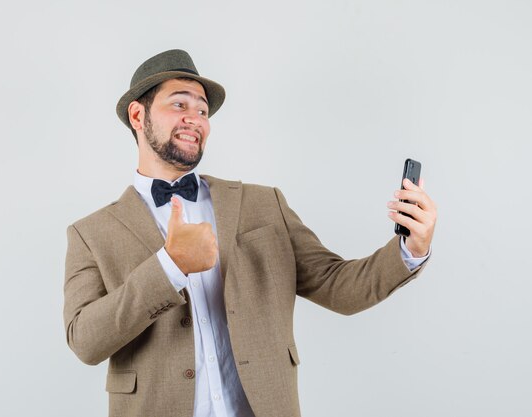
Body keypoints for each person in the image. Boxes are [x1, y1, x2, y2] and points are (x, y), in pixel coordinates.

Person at [63, 49, 437, 417]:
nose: (195, 118)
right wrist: (168, 267)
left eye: (203, 110)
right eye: (180, 105)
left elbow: (340, 288)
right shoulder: (91, 234)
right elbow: (85, 341)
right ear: (137, 115)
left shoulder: (263, 204)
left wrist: (410, 248)